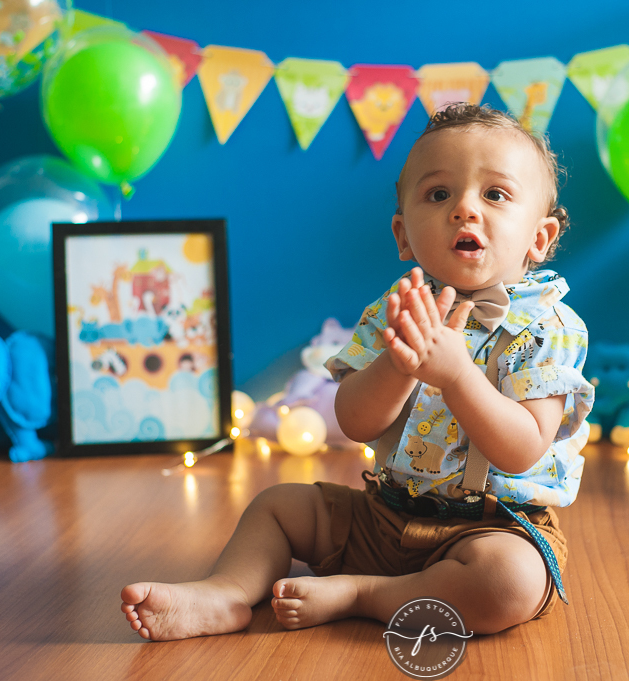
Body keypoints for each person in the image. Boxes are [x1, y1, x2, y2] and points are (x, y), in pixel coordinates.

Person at [120, 104, 593, 641]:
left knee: (512, 582)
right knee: (277, 505)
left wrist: (458, 374)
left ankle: (366, 593)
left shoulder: (550, 327)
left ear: (539, 238)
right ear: (403, 236)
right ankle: (227, 592)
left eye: (495, 195)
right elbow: (356, 422)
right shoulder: (394, 309)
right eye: (439, 194)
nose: (465, 209)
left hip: (492, 527)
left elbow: (523, 447)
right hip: (385, 513)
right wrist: (397, 363)